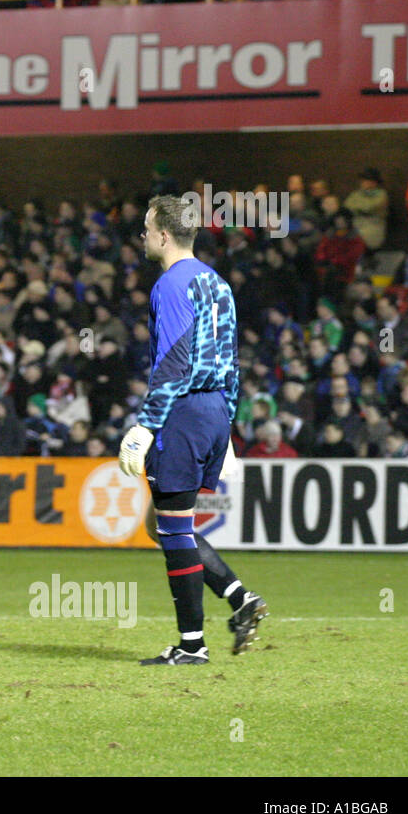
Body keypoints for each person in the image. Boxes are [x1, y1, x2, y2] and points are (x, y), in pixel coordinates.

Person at [119, 195, 266, 666]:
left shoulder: (169, 284)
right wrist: (226, 426)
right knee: (161, 525)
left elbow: (174, 363)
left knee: (173, 528)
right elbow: (231, 363)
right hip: (212, 412)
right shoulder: (218, 283)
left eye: (146, 228)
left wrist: (146, 424)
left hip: (181, 414)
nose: (142, 235)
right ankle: (240, 600)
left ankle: (192, 646)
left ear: (164, 234)